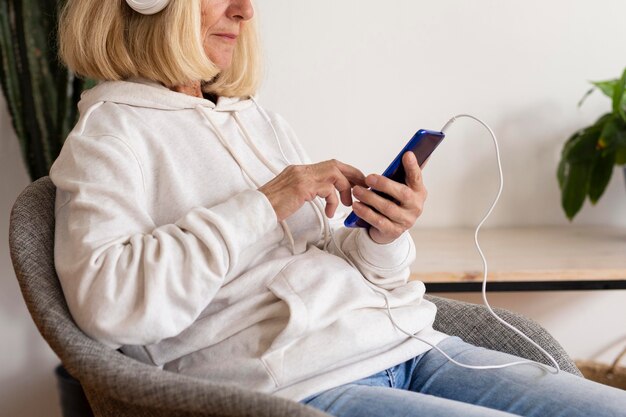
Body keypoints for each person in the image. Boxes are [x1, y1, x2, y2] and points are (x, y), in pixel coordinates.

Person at [51, 1, 626, 416]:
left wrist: (382, 236)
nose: (246, 11)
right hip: (298, 388)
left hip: (412, 348)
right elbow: (110, 306)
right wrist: (267, 202)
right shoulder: (110, 135)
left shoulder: (256, 119)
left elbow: (326, 255)